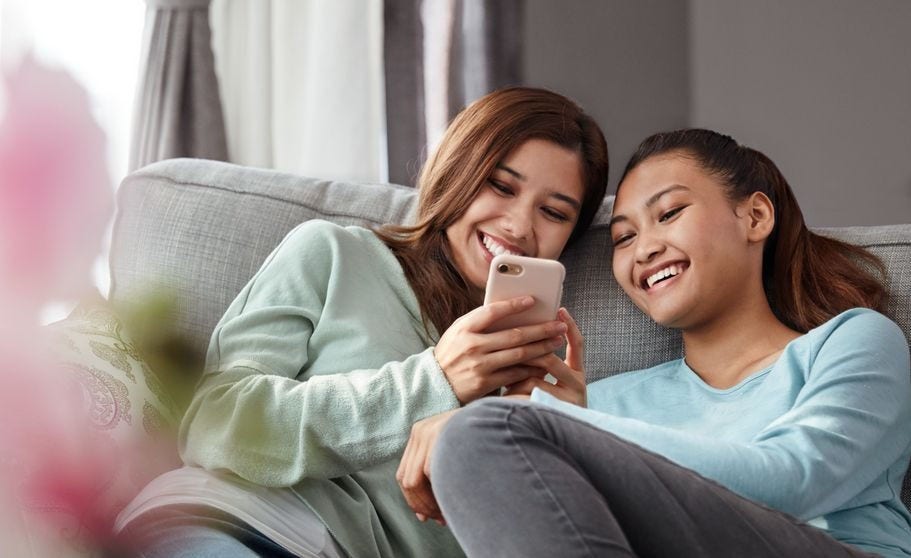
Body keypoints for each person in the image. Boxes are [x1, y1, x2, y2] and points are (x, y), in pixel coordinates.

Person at [112, 86, 609, 557]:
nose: (519, 226)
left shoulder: (532, 377)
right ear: (458, 168)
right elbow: (214, 423)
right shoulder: (334, 254)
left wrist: (557, 446)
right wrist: (433, 380)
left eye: (553, 212)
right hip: (238, 524)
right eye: (501, 186)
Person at [400, 129, 911, 557]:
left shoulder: (852, 342)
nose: (643, 249)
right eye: (623, 238)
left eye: (669, 213)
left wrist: (545, 426)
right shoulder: (597, 404)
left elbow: (793, 482)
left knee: (477, 434)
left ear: (755, 217)